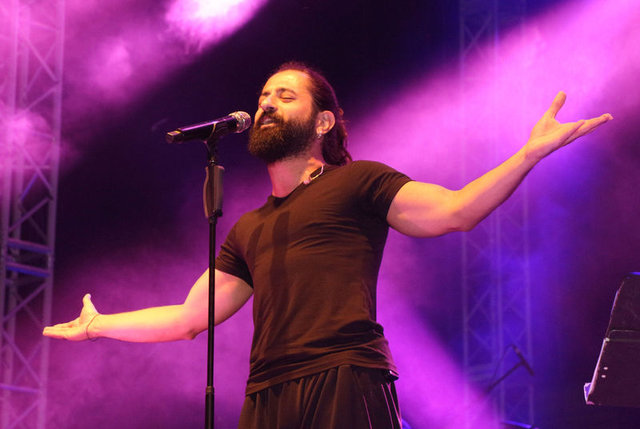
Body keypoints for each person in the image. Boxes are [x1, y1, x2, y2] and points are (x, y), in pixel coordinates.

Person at [43, 61, 612, 428]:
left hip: (344, 375)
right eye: (263, 95)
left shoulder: (359, 181)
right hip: (267, 394)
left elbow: (455, 212)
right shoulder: (248, 228)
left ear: (322, 123)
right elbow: (191, 318)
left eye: (284, 96)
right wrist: (99, 326)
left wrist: (529, 154)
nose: (266, 104)